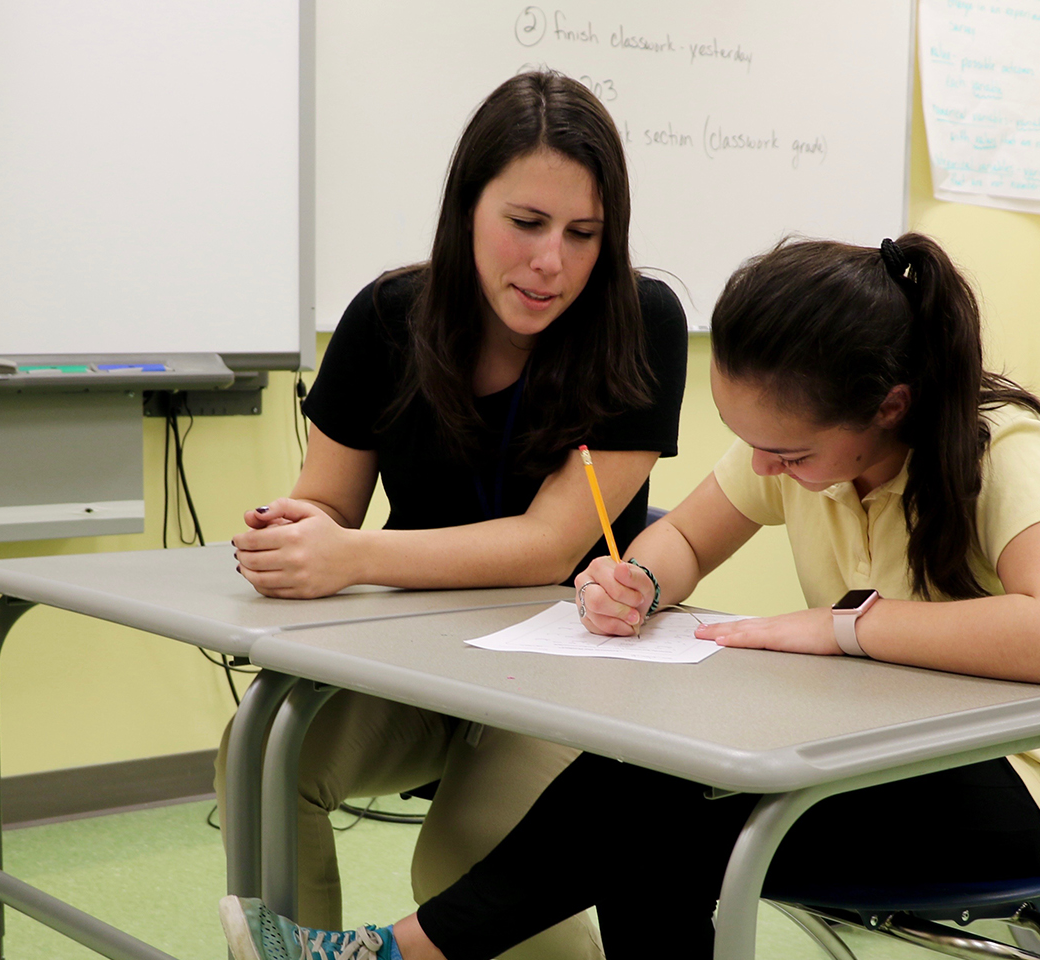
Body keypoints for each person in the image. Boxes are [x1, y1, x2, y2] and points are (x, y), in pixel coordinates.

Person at [219, 234, 1040, 960]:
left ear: (887, 406)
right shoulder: (797, 443)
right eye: (748, 441)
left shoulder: (1003, 450)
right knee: (649, 791)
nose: (765, 470)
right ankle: (391, 957)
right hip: (866, 744)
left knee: (659, 833)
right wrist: (640, 578)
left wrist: (842, 629)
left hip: (1008, 787)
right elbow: (686, 534)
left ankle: (390, 957)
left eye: (789, 455)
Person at [219, 71, 688, 960]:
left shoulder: (641, 320)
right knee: (264, 760)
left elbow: (550, 546)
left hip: (577, 665)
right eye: (526, 224)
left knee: (462, 868)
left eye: (583, 234)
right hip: (423, 657)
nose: (552, 261)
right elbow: (330, 499)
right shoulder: (388, 318)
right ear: (466, 208)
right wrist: (297, 528)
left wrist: (350, 556)